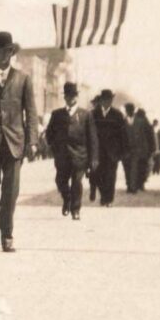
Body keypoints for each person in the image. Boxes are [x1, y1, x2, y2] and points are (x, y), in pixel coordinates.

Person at [0, 31, 37, 253]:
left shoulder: (23, 79)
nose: (2, 55)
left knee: (10, 192)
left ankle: (7, 236)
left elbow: (31, 111)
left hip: (14, 142)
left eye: (7, 51)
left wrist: (32, 141)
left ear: (12, 53)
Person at [43, 82, 99, 220]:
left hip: (80, 156)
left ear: (77, 97)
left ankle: (75, 209)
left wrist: (93, 159)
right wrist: (55, 148)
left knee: (77, 182)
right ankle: (67, 198)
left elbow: (92, 138)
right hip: (62, 156)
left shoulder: (85, 115)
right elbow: (49, 134)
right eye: (68, 95)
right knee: (60, 181)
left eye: (73, 95)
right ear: (65, 97)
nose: (71, 98)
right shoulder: (57, 115)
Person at [89, 90, 128, 207]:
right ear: (101, 101)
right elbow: (88, 133)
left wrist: (123, 151)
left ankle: (109, 199)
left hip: (113, 152)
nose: (107, 102)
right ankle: (103, 196)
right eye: (105, 99)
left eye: (110, 99)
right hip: (98, 151)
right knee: (99, 175)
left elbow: (123, 134)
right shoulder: (93, 114)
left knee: (111, 175)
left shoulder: (117, 115)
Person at [127, 108, 157, 192]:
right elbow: (151, 137)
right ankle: (141, 184)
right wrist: (153, 149)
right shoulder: (146, 122)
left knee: (134, 168)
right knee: (143, 168)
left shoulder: (133, 122)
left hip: (134, 150)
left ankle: (134, 185)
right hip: (144, 151)